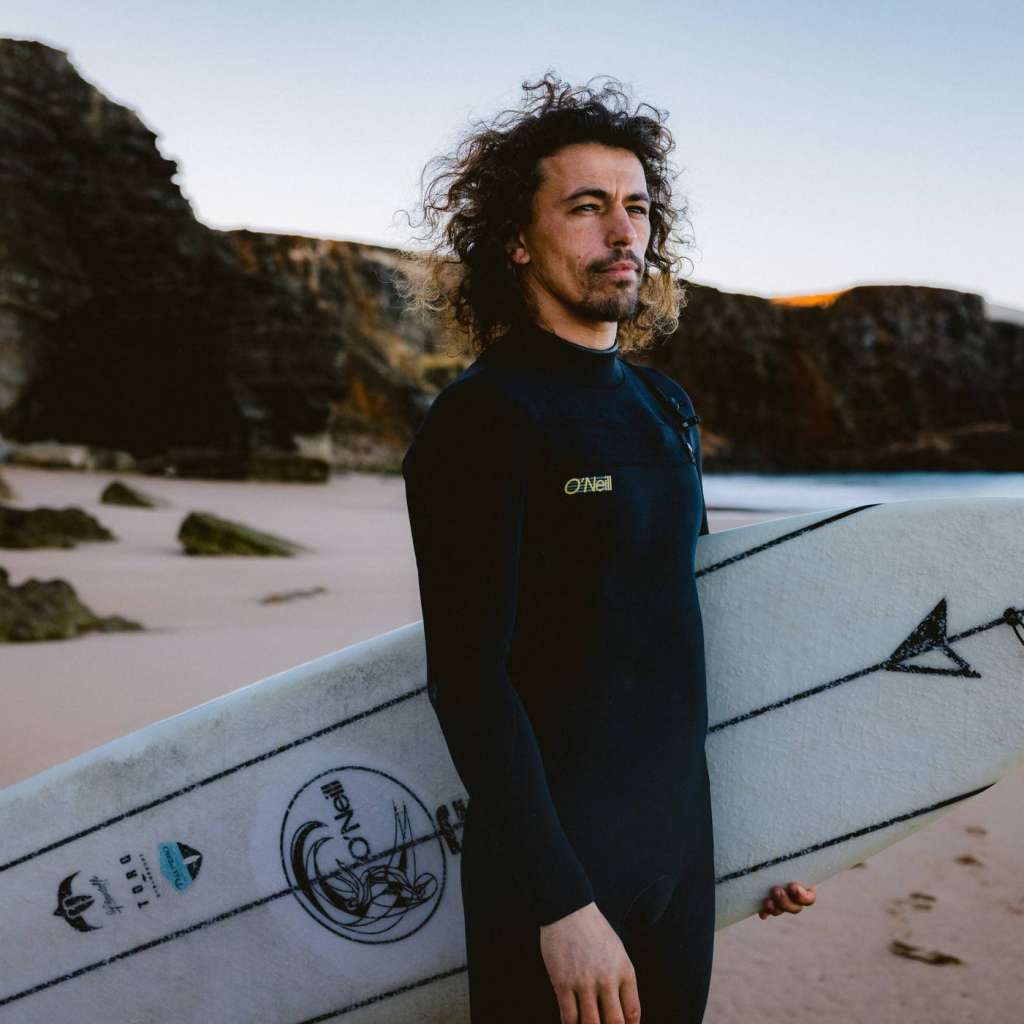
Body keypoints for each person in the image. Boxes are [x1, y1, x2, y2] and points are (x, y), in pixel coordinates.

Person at [399, 74, 816, 1024]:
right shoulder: (483, 420)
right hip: (557, 890)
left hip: (682, 866)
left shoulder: (667, 410)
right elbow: (467, 679)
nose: (623, 232)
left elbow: (693, 635)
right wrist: (560, 906)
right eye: (587, 207)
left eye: (637, 207)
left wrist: (774, 837)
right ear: (517, 238)